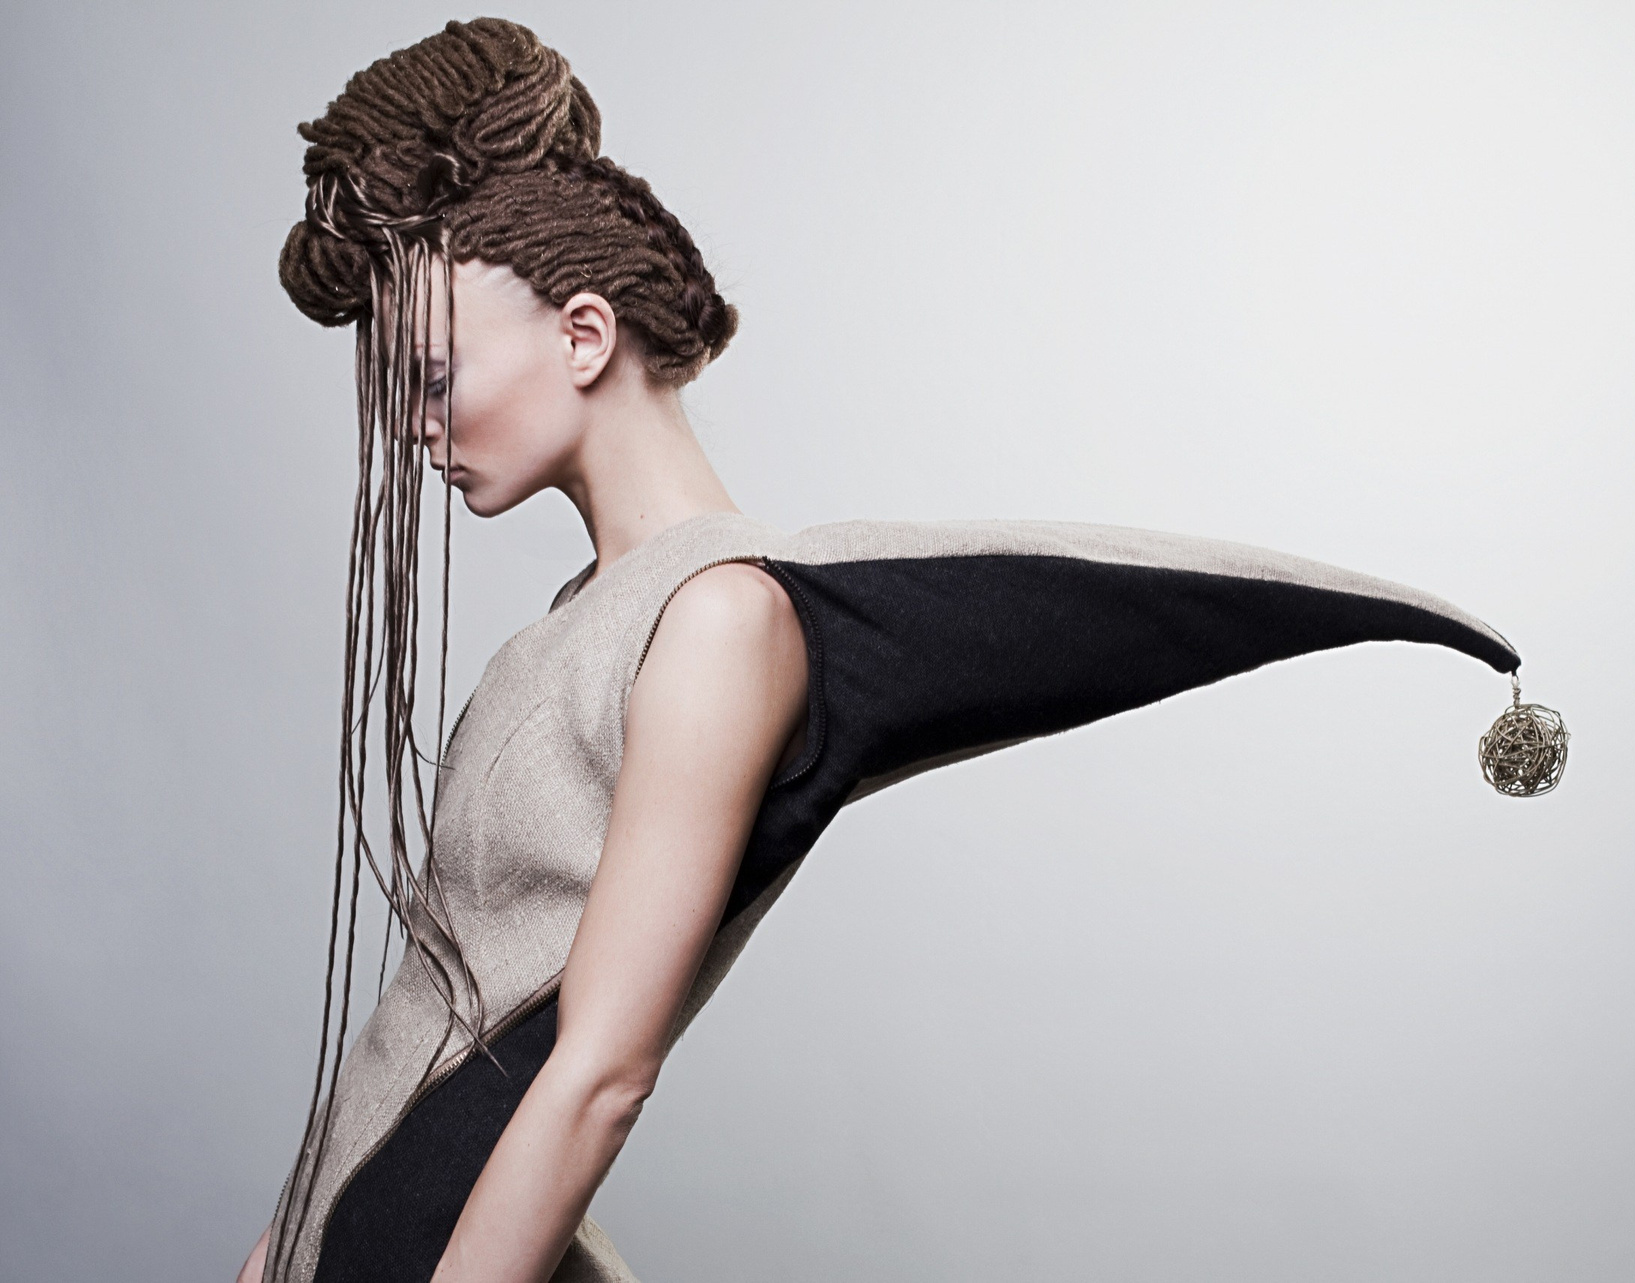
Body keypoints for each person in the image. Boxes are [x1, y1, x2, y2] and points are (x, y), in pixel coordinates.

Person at [243, 19, 1522, 1283]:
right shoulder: (583, 618)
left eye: (429, 379)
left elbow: (601, 1070)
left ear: (584, 336)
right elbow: (422, 1014)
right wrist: (275, 1253)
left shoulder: (719, 622)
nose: (411, 427)